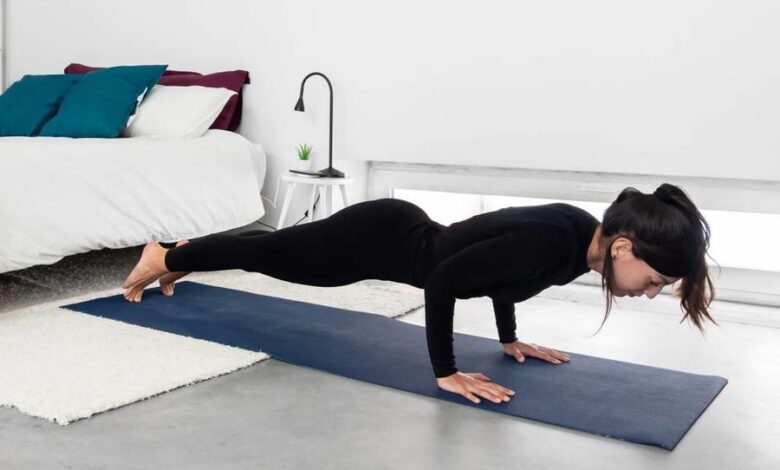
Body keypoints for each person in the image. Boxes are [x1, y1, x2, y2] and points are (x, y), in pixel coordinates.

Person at [121, 183, 717, 405]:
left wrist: (510, 340)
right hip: (377, 241)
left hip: (399, 235)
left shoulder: (579, 242)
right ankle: (166, 256)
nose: (651, 293)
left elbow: (499, 276)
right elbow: (446, 281)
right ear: (624, 248)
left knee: (273, 250)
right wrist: (446, 372)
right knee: (270, 256)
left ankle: (182, 254)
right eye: (656, 281)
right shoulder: (554, 243)